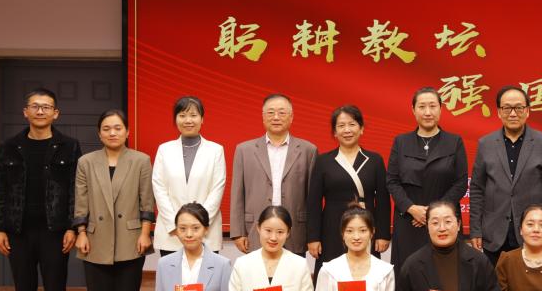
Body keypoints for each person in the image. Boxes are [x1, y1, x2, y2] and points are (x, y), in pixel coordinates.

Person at [0, 88, 82, 291]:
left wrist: (73, 227)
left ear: (56, 113)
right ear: (25, 112)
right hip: (18, 230)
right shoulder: (10, 146)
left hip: (55, 230)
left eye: (46, 107)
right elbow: (0, 188)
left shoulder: (69, 146)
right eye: (35, 106)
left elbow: (75, 190)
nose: (40, 111)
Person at [386, 87, 469, 291]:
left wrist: (433, 213)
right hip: (409, 223)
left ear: (441, 109)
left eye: (433, 106)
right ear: (413, 110)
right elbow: (392, 181)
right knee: (414, 286)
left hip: (443, 223)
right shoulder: (401, 142)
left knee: (445, 282)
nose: (428, 111)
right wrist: (411, 209)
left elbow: (460, 182)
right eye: (422, 106)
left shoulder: (454, 141)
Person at [72, 109, 155, 291]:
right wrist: (81, 233)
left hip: (132, 238)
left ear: (127, 132)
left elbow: (147, 201)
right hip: (95, 237)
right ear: (99, 133)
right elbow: (81, 201)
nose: (112, 133)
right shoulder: (86, 162)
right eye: (106, 128)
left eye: (118, 128)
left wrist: (145, 233)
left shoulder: (141, 160)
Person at [469, 85, 542, 266]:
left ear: (527, 111)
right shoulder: (486, 144)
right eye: (507, 108)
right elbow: (477, 189)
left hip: (532, 233)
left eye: (518, 108)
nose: (513, 113)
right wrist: (476, 230)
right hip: (494, 233)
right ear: (499, 112)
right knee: (494, 282)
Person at [307, 106, 390, 280]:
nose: (347, 130)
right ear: (334, 132)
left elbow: (383, 200)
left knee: (367, 276)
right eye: (341, 126)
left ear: (361, 128)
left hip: (365, 226)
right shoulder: (323, 161)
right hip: (332, 227)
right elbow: (313, 202)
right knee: (332, 275)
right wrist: (313, 237)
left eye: (352, 124)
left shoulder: (374, 160)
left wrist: (383, 234)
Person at [230, 93, 316, 255]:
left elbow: (312, 198)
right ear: (263, 117)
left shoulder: (308, 150)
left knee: (292, 271)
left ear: (291, 117)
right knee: (257, 271)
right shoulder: (244, 150)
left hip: (295, 231)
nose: (276, 117)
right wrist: (238, 231)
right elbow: (237, 193)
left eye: (282, 112)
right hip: (255, 229)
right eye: (270, 112)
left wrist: (313, 234)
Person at [151, 96, 226, 255]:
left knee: (206, 272)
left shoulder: (215, 150)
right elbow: (159, 189)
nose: (188, 120)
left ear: (202, 119)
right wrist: (176, 225)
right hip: (172, 233)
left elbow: (216, 190)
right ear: (175, 119)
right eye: (182, 115)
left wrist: (199, 225)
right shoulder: (164, 150)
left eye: (193, 115)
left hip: (206, 232)